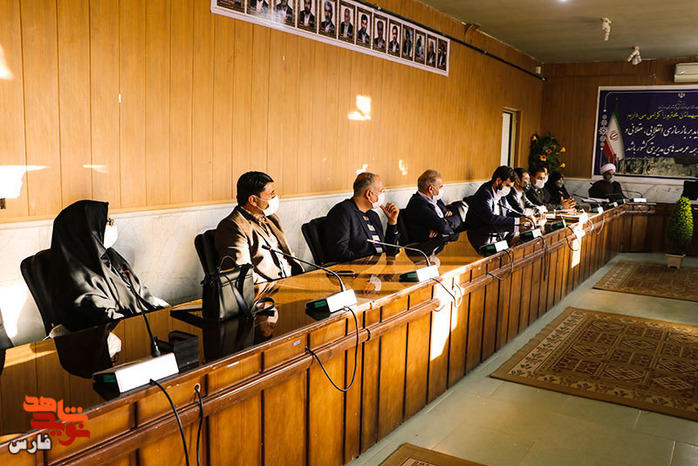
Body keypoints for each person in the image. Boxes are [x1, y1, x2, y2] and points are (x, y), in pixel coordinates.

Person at [48, 200, 168, 332]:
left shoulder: (110, 256)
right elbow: (104, 320)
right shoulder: (75, 279)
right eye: (108, 221)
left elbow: (140, 291)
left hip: (139, 326)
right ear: (88, 230)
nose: (112, 225)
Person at [215, 171, 303, 284]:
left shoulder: (271, 218)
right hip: (267, 288)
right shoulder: (233, 226)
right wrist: (275, 286)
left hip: (293, 280)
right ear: (253, 200)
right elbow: (243, 274)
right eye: (271, 193)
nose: (275, 197)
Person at [325, 172, 400, 262]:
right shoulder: (342, 212)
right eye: (381, 191)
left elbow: (389, 250)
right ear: (369, 194)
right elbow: (340, 254)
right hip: (359, 269)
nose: (382, 194)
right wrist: (371, 262)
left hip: (380, 267)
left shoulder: (373, 215)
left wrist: (392, 223)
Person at [464, 166, 534, 231]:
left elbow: (508, 210)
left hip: (494, 231)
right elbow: (490, 218)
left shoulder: (500, 192)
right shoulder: (485, 193)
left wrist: (523, 217)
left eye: (510, 187)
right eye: (508, 185)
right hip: (479, 233)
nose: (509, 189)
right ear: (498, 181)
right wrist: (517, 221)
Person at [404, 170, 461, 243]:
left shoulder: (436, 199)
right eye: (440, 187)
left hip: (445, 241)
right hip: (427, 245)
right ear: (431, 189)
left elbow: (457, 218)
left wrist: (446, 221)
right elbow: (443, 227)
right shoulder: (417, 204)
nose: (441, 189)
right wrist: (447, 222)